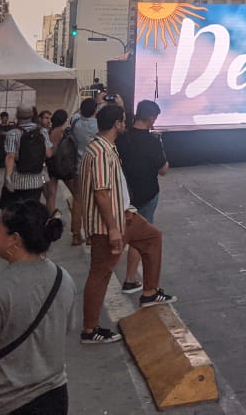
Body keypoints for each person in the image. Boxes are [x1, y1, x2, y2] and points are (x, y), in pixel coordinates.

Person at [0, 201, 76, 414]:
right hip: (54, 396)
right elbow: (66, 328)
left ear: (15, 240)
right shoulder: (63, 279)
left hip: (1, 403)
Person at [78, 103, 175, 345]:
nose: (125, 123)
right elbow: (101, 193)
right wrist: (112, 229)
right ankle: (90, 329)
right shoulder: (100, 152)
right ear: (116, 124)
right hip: (109, 223)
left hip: (125, 215)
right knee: (100, 273)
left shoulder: (107, 147)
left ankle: (150, 291)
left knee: (153, 237)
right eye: (122, 120)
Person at [115, 100, 169, 294]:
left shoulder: (121, 138)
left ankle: (129, 279)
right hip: (147, 194)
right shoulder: (153, 141)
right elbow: (163, 170)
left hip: (124, 195)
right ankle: (141, 285)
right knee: (145, 238)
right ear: (151, 118)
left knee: (126, 234)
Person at [2, 105, 51, 209]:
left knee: (15, 210)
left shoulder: (12, 133)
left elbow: (10, 156)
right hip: (36, 180)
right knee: (32, 209)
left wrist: (7, 177)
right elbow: (48, 154)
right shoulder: (42, 132)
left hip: (17, 180)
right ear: (32, 115)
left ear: (17, 116)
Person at [66, 98, 100, 245]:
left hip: (79, 167)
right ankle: (91, 235)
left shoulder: (76, 123)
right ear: (95, 110)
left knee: (78, 201)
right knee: (95, 202)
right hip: (96, 167)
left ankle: (75, 234)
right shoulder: (99, 125)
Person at [43, 110, 69, 214]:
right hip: (58, 164)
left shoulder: (50, 130)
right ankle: (51, 213)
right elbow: (52, 150)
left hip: (51, 164)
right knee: (52, 194)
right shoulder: (59, 131)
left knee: (51, 194)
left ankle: (51, 215)